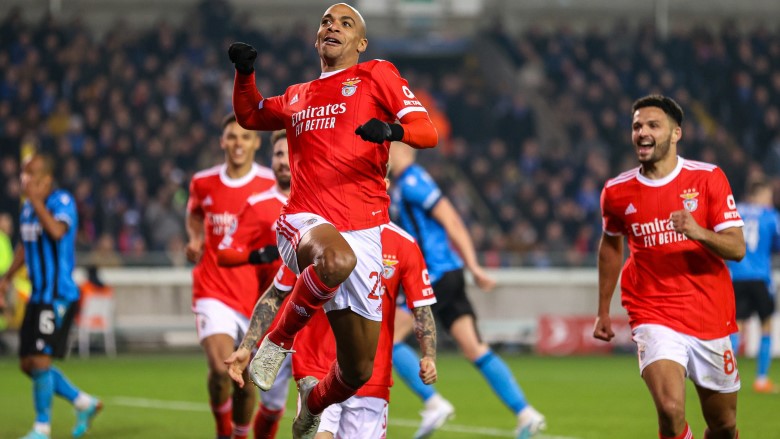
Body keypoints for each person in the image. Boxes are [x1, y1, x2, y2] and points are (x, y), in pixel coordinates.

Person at [228, 3, 438, 437]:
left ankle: (313, 405)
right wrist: (245, 75)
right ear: (315, 38)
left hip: (365, 232)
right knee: (335, 260)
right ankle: (278, 343)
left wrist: (391, 132)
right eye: (326, 21)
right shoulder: (298, 94)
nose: (333, 27)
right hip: (304, 220)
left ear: (361, 43)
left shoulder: (376, 74)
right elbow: (251, 115)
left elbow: (426, 131)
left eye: (345, 23)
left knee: (358, 369)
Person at [593, 95, 746, 439]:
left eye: (652, 125)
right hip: (653, 311)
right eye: (636, 126)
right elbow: (611, 245)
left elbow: (737, 248)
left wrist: (696, 231)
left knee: (723, 426)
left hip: (709, 312)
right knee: (670, 409)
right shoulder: (616, 192)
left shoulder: (709, 179)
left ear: (676, 133)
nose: (642, 133)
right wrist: (603, 308)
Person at [387, 141, 546, 438]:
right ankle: (526, 414)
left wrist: (474, 266)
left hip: (435, 275)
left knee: (388, 338)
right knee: (474, 348)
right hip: (447, 274)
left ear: (401, 147)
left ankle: (433, 402)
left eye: (388, 143)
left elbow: (452, 221)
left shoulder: (412, 180)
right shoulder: (400, 184)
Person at [225, 218, 439, 439]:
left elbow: (421, 307)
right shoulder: (321, 238)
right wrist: (246, 346)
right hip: (317, 370)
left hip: (372, 378)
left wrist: (429, 356)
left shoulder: (404, 244)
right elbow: (276, 294)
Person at [185, 114, 275, 439]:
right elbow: (194, 214)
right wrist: (195, 240)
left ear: (256, 143)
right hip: (214, 290)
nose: (238, 143)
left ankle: (238, 433)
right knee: (221, 368)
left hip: (256, 296)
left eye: (245, 137)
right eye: (232, 137)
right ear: (222, 141)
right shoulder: (203, 182)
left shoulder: (270, 183)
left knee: (245, 377)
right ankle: (224, 431)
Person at [0, 153, 101, 439]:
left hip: (59, 295)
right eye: (23, 174)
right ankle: (84, 403)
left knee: (41, 361)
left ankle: (41, 428)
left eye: (30, 175)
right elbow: (25, 246)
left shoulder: (62, 202)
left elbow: (57, 231)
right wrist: (6, 279)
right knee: (26, 364)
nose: (24, 180)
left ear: (45, 180)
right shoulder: (28, 209)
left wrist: (34, 199)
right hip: (37, 295)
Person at [216, 129, 292, 438]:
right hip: (273, 326)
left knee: (318, 407)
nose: (284, 162)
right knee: (272, 408)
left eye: (291, 154)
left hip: (316, 325)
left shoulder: (323, 202)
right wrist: (256, 255)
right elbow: (224, 253)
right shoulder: (258, 205)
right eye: (278, 155)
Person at [726, 179, 780, 393]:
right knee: (766, 324)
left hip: (736, 277)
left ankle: (727, 379)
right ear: (757, 196)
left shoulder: (735, 211)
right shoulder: (770, 216)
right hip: (759, 278)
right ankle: (761, 379)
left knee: (736, 325)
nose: (769, 201)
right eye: (767, 196)